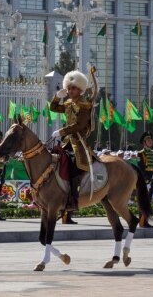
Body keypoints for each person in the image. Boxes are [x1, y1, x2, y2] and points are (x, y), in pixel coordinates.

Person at [50, 69, 96, 212]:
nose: (70, 91)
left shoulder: (84, 105)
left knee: (73, 166)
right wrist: (57, 96)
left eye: (73, 88)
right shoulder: (69, 103)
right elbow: (53, 108)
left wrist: (61, 131)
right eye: (68, 88)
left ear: (80, 89)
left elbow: (79, 125)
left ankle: (73, 198)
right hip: (67, 141)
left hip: (79, 141)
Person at [137, 131, 153, 228]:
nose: (150, 141)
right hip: (145, 181)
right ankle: (142, 221)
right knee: (143, 201)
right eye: (148, 140)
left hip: (152, 181)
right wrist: (146, 180)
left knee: (148, 202)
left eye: (151, 139)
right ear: (144, 142)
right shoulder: (140, 154)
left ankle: (145, 221)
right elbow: (141, 168)